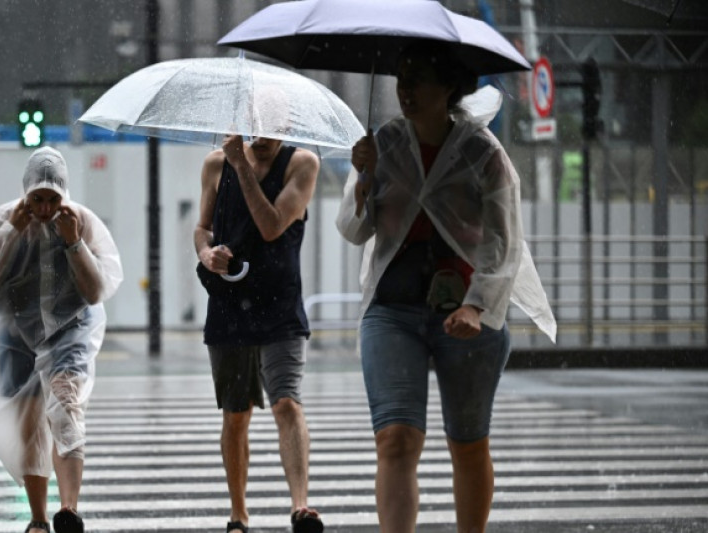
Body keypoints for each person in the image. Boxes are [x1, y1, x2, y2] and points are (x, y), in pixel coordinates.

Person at [335, 42, 556, 533]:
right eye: (402, 77)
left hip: (467, 312)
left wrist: (478, 307)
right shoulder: (385, 143)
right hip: (391, 310)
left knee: (468, 441)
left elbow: (504, 242)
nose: (406, 89)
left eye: (419, 78)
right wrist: (363, 180)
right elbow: (354, 231)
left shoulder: (483, 153)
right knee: (395, 438)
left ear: (449, 88)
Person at [0, 146, 123, 533]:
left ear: (65, 194)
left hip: (70, 332)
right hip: (15, 334)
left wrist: (73, 243)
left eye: (54, 198)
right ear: (26, 194)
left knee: (67, 409)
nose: (46, 207)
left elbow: (97, 289)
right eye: (38, 198)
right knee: (29, 424)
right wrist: (10, 235)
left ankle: (68, 510)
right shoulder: (5, 220)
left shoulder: (81, 222)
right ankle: (38, 518)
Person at [194, 133, 324, 533]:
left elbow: (271, 226)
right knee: (236, 416)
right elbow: (202, 227)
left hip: (280, 305)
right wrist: (206, 253)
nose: (264, 137)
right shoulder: (216, 163)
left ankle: (300, 506)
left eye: (273, 128)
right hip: (230, 306)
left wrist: (244, 170)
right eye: (257, 127)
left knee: (287, 401)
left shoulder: (302, 164)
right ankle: (238, 513)